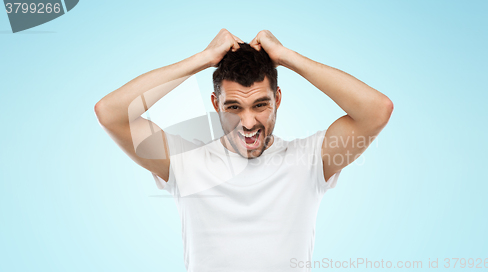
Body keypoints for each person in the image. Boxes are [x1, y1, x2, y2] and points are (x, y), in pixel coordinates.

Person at [94, 29, 393, 272]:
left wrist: (287, 57)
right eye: (234, 107)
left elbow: (376, 110)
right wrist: (202, 59)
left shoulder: (311, 160)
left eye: (260, 105)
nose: (248, 123)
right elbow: (110, 113)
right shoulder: (185, 163)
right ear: (215, 105)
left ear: (277, 98)